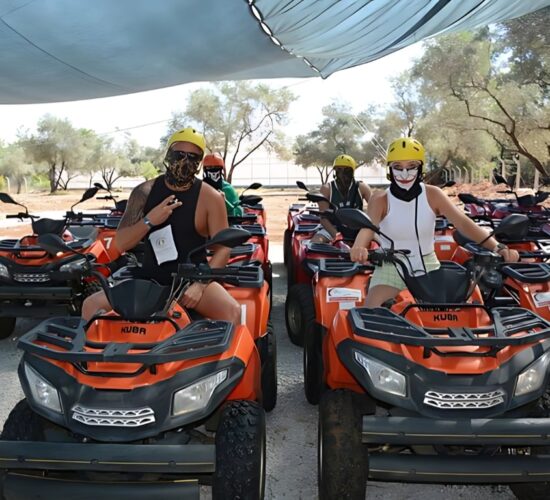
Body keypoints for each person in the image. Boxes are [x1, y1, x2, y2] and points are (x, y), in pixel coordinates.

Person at [82, 127, 241, 325]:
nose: (184, 161)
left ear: (199, 163)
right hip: (150, 278)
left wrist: (201, 284)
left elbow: (223, 249)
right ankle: (90, 356)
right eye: (179, 154)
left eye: (192, 157)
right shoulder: (144, 192)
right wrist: (149, 221)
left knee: (233, 312)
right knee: (90, 305)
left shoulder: (211, 198)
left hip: (193, 278)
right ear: (168, 154)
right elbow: (121, 244)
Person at [350, 137, 519, 308]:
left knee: (456, 317)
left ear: (421, 168)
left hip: (428, 266)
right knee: (372, 314)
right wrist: (359, 247)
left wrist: (498, 247)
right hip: (391, 267)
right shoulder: (380, 198)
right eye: (398, 167)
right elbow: (368, 228)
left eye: (411, 167)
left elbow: (463, 222)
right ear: (390, 170)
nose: (405, 173)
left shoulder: (433, 194)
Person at [311, 154, 372, 243]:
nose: (342, 173)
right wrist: (337, 236)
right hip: (333, 228)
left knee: (380, 242)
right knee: (315, 243)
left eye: (346, 170)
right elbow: (323, 218)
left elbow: (375, 211)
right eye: (339, 170)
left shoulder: (362, 187)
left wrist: (366, 230)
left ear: (352, 171)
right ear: (334, 171)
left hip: (358, 229)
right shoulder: (327, 189)